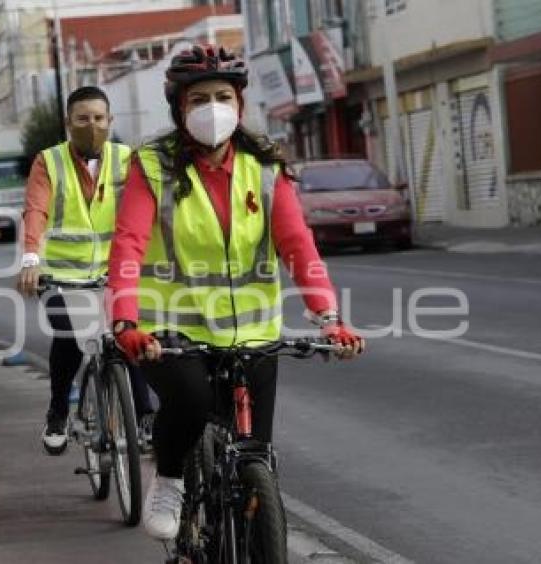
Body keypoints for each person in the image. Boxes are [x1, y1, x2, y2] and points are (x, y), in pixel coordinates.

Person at [106, 45, 366, 540]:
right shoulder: (152, 166)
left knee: (254, 456)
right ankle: (169, 478)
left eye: (223, 96)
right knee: (192, 403)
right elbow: (129, 243)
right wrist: (125, 321)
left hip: (252, 333)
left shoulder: (265, 167)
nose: (212, 107)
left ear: (240, 105)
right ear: (179, 108)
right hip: (170, 331)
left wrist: (328, 316)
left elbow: (298, 246)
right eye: (198, 97)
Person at [16, 85, 154, 455]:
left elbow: (154, 206)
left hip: (115, 273)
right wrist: (31, 259)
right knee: (69, 338)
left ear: (110, 121)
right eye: (82, 119)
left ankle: (145, 416)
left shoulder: (128, 159)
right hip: (61, 276)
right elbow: (36, 211)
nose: (90, 125)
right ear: (68, 123)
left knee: (129, 336)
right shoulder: (49, 161)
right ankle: (58, 411)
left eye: (98, 118)